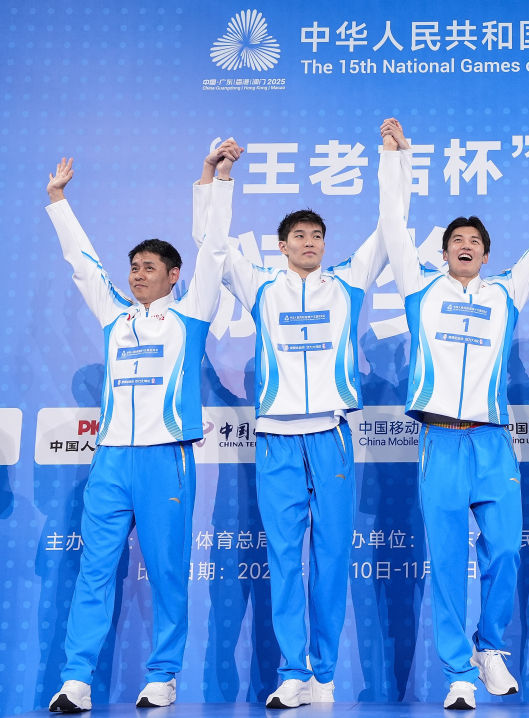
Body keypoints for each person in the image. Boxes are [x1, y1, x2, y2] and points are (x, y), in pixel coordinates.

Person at [190, 120, 410, 709]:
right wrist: (218, 179)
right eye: (299, 236)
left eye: (317, 235)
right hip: (277, 441)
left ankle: (324, 675)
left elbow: (391, 230)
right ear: (282, 245)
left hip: (331, 437)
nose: (309, 242)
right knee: (285, 559)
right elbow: (212, 247)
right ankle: (293, 671)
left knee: (332, 559)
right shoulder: (261, 287)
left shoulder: (347, 284)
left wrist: (393, 160)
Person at [379, 119, 529, 709]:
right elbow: (393, 226)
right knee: (447, 562)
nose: (466, 245)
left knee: (506, 550)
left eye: (475, 240)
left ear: (487, 253)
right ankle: (458, 674)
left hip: (493, 442)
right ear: (444, 251)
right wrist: (394, 160)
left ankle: (489, 647)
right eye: (457, 239)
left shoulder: (505, 293)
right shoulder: (420, 290)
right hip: (440, 443)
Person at [45, 140, 242, 711]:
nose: (137, 276)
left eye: (148, 268)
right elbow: (83, 265)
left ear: (173, 276)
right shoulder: (115, 315)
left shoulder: (190, 315)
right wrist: (58, 202)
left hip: (166, 459)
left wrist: (217, 179)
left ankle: (163, 675)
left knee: (167, 573)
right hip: (111, 461)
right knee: (94, 571)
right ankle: (76, 681)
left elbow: (215, 249)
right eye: (133, 268)